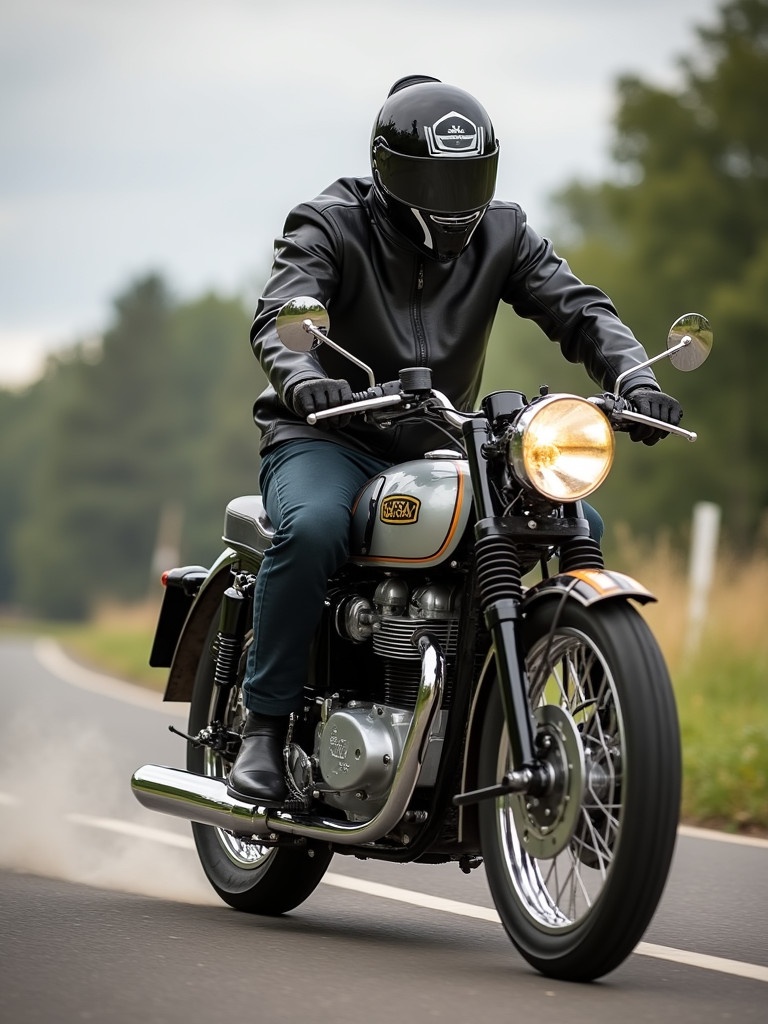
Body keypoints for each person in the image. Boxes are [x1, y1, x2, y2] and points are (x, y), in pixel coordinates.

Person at [226, 75, 682, 806]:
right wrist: (304, 376)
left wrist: (633, 376)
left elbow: (579, 308)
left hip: (442, 440)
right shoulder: (330, 220)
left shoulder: (503, 231)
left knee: (573, 518)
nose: (453, 195)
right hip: (327, 433)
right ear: (390, 171)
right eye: (436, 177)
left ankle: (585, 739)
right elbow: (281, 312)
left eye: (468, 176)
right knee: (312, 530)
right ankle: (263, 725)